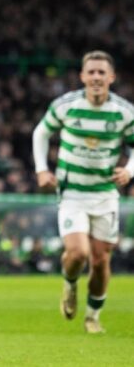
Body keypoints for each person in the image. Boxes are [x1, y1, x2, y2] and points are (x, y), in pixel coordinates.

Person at [33, 50, 134, 334]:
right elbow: (41, 133)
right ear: (82, 76)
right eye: (91, 72)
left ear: (111, 77)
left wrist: (130, 170)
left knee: (101, 261)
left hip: (105, 194)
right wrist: (42, 169)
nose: (96, 77)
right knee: (78, 253)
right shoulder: (66, 105)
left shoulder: (124, 112)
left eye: (102, 72)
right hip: (72, 193)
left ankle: (92, 317)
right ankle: (70, 283)